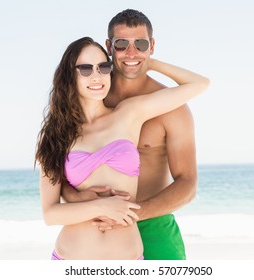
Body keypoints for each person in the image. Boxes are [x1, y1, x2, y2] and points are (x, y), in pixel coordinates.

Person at [35, 36, 208, 260]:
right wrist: (102, 207)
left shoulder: (128, 114)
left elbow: (199, 84)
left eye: (103, 67)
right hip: (70, 260)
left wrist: (145, 62)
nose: (97, 76)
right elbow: (50, 214)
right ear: (70, 75)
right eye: (86, 69)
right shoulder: (54, 136)